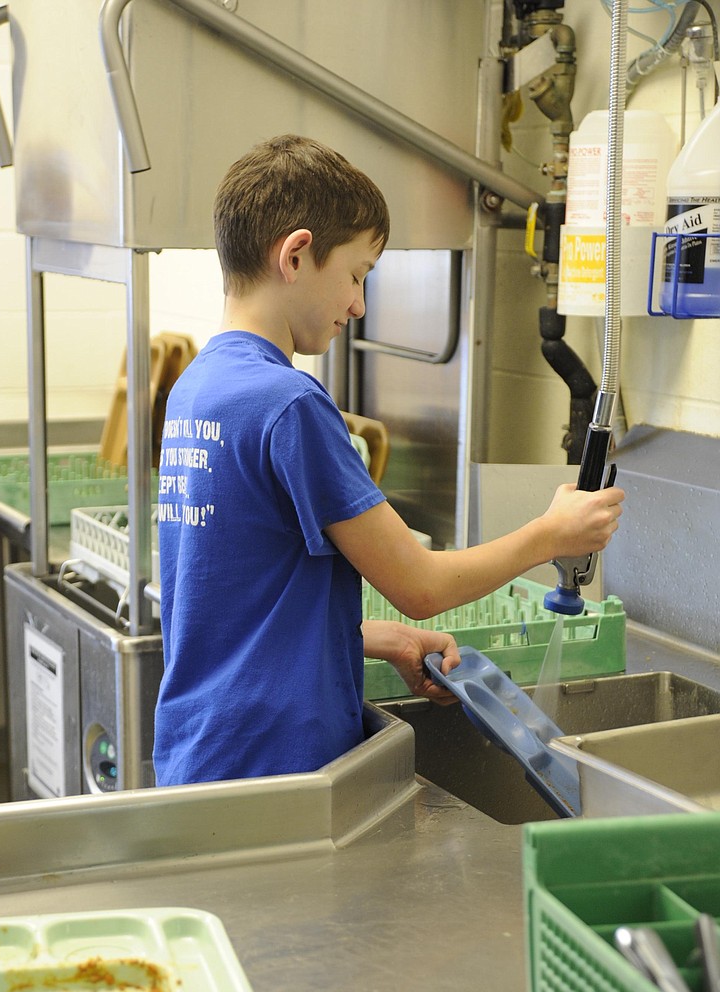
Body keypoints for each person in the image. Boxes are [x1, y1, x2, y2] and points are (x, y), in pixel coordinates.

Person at [153, 134, 624, 787]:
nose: (358, 304)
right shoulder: (288, 406)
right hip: (281, 770)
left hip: (206, 759)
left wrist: (379, 638)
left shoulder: (198, 389)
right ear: (296, 254)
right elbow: (420, 586)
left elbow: (234, 603)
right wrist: (551, 535)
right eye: (356, 274)